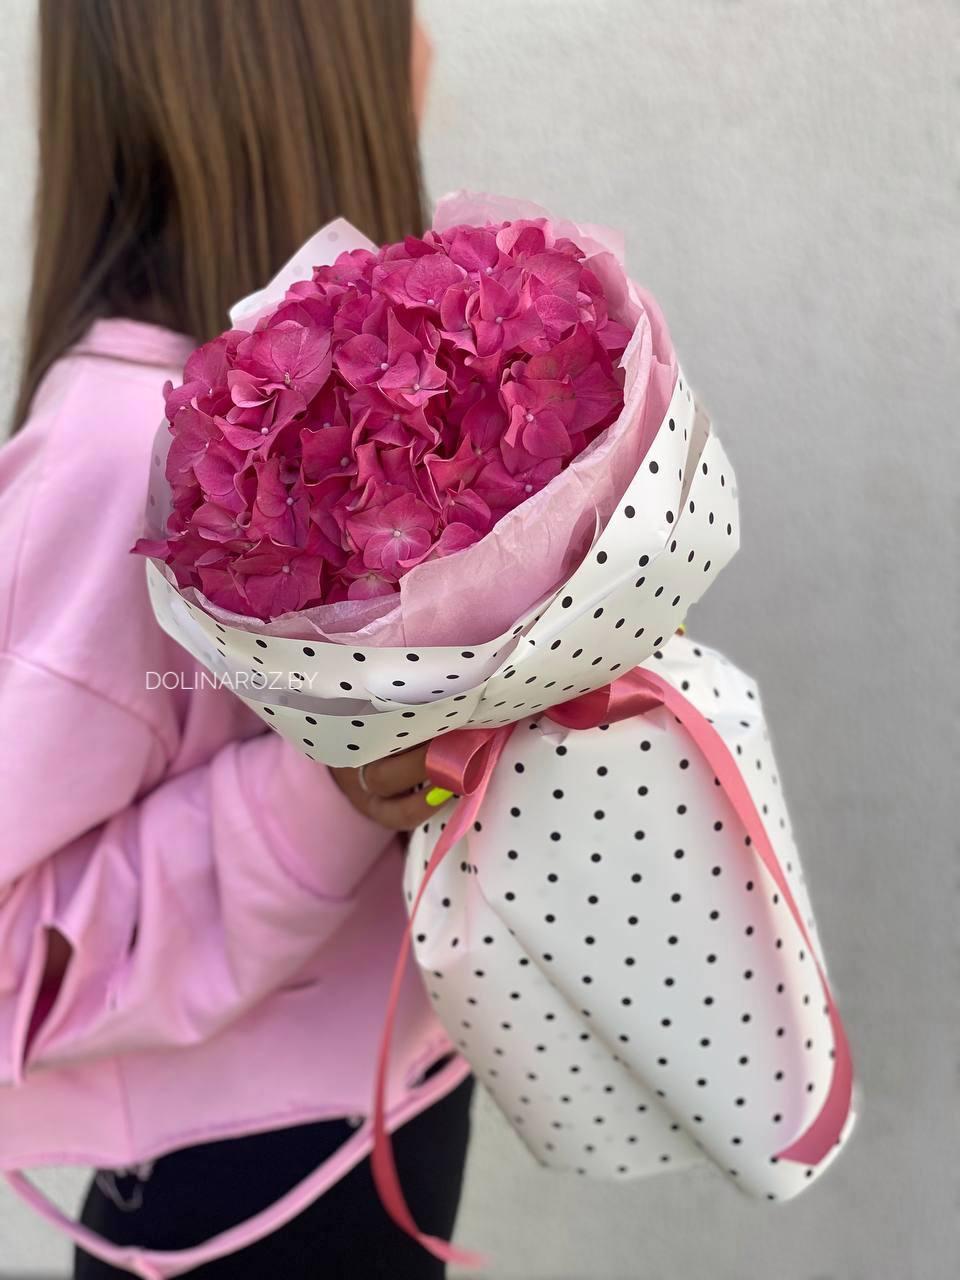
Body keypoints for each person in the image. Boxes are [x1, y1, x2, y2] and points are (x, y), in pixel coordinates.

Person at [0, 2, 474, 1276]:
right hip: (239, 1194)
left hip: (383, 1123)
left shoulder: (380, 401)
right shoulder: (113, 452)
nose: (429, 38)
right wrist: (323, 797)